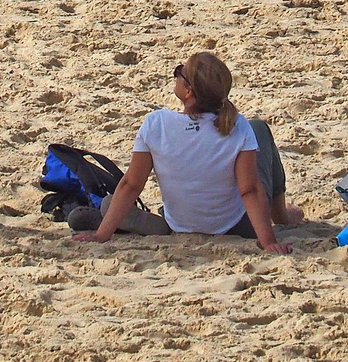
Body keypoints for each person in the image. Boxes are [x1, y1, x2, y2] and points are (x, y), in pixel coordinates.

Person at [72, 51, 304, 253]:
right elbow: (250, 190)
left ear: (189, 91)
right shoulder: (237, 125)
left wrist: (101, 236)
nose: (176, 74)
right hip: (233, 225)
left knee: (112, 202)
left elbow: (131, 185)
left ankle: (129, 222)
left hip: (180, 222)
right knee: (259, 128)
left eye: (180, 72)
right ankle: (281, 216)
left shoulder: (157, 124)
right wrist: (268, 241)